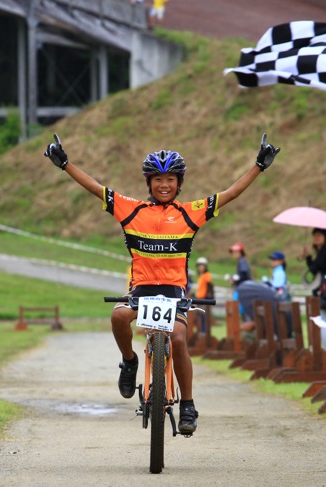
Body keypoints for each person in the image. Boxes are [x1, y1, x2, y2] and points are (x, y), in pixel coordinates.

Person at [43, 132, 280, 435]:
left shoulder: (190, 213)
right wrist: (65, 164)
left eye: (170, 180)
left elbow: (230, 193)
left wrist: (259, 165)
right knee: (117, 316)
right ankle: (129, 363)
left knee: (179, 340)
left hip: (173, 293)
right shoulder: (131, 209)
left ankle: (189, 404)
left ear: (179, 183)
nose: (164, 185)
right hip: (141, 289)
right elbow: (95, 188)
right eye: (157, 179)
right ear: (148, 183)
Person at [303, 227, 326, 352]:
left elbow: (314, 268)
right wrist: (308, 258)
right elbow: (314, 268)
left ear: (325, 236)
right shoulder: (322, 251)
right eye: (314, 235)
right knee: (321, 320)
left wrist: (308, 258)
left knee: (323, 322)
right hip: (321, 290)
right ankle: (324, 350)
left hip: (323, 291)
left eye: (319, 235)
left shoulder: (325, 250)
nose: (316, 238)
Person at [189, 256, 214, 332]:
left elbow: (209, 287)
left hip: (204, 299)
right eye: (199, 266)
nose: (200, 267)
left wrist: (209, 297)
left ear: (205, 266)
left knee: (204, 317)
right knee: (199, 317)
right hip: (199, 299)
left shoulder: (207, 275)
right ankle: (201, 333)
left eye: (202, 265)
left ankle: (204, 333)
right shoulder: (201, 276)